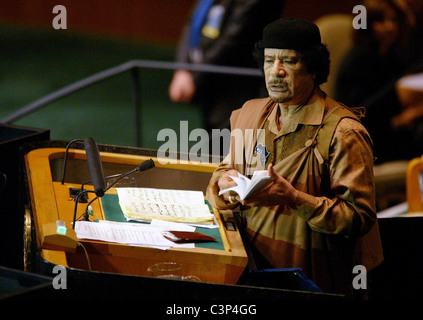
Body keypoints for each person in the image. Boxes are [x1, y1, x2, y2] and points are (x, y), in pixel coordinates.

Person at [206, 17, 384, 298]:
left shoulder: (344, 132)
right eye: (269, 61)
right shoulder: (251, 114)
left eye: (289, 62)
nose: (276, 72)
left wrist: (294, 199)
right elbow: (223, 172)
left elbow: (359, 218)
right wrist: (225, 183)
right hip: (249, 269)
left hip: (312, 283)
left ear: (313, 68)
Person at [169, 0, 284, 136]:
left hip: (240, 90)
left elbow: (234, 38)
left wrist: (194, 77)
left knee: (234, 147)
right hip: (211, 87)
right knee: (214, 145)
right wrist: (183, 68)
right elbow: (192, 22)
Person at [335, 0, 412, 162]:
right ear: (368, 25)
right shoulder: (357, 60)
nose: (390, 27)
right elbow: (356, 112)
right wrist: (395, 121)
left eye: (393, 20)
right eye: (381, 21)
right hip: (362, 136)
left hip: (391, 132)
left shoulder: (394, 56)